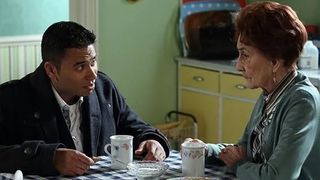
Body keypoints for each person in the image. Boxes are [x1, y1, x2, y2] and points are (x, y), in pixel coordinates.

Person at [0, 21, 170, 176]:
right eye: (80, 66)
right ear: (51, 70)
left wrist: (152, 140)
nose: (92, 74)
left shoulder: (104, 87)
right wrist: (50, 158)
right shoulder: (11, 98)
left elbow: (136, 127)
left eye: (93, 62)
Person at [184, 1, 320, 179]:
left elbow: (277, 176)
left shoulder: (302, 101)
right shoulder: (270, 94)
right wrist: (205, 150)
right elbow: (243, 150)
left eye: (245, 55)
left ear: (275, 61)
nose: (238, 65)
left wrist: (237, 165)